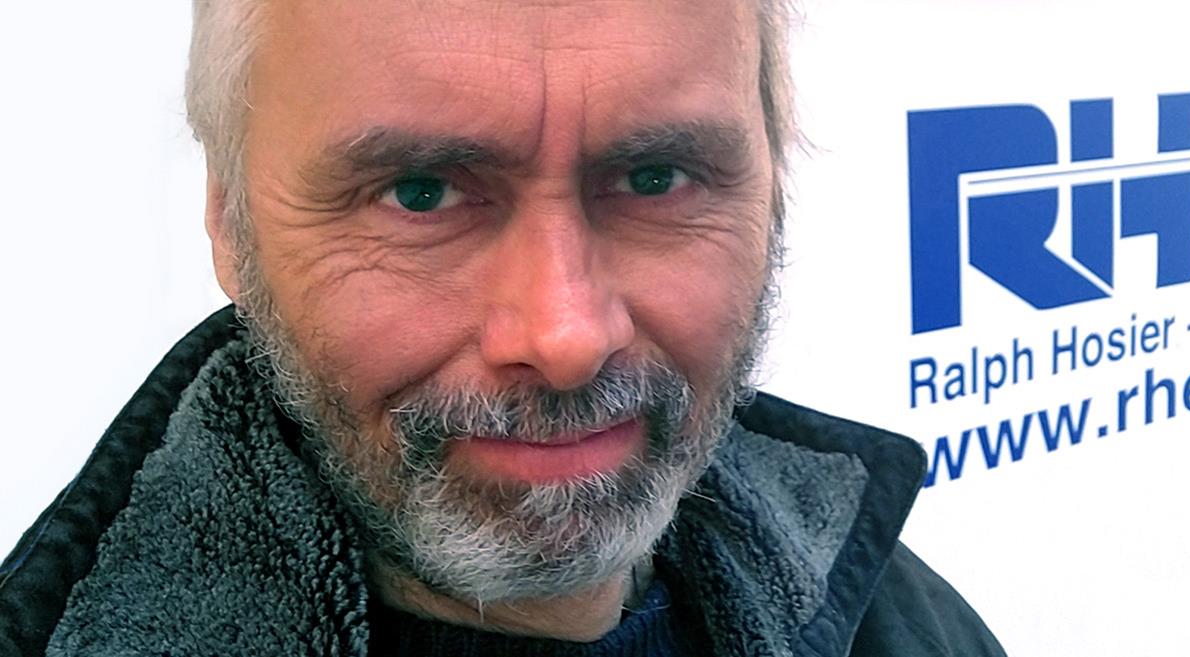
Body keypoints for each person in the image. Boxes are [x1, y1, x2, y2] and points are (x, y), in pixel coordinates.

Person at [0, 1, 1005, 655]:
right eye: (422, 192)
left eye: (655, 178)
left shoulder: (884, 608)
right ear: (230, 223)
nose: (566, 336)